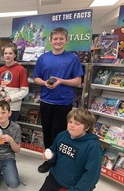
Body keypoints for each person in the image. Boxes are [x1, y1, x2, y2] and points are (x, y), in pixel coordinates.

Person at [33, 27, 84, 173]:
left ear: (66, 41)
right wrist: (45, 83)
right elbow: (36, 78)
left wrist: (61, 81)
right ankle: (49, 160)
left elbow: (77, 82)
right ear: (50, 41)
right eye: (55, 39)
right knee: (47, 132)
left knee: (60, 134)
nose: (58, 41)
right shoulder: (43, 58)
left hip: (63, 103)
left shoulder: (72, 58)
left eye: (61, 39)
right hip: (46, 101)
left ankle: (58, 161)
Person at [35, 108, 102, 191]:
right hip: (57, 177)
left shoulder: (93, 147)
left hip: (75, 185)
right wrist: (50, 155)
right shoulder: (62, 135)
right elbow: (54, 151)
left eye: (77, 123)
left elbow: (92, 175)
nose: (71, 125)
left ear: (87, 127)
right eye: (70, 122)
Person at [0, 43, 29, 122]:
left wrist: (10, 98)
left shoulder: (21, 70)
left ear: (15, 55)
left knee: (10, 131)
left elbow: (25, 91)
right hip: (0, 106)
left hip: (12, 107)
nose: (7, 55)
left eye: (10, 53)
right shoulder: (0, 70)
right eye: (5, 53)